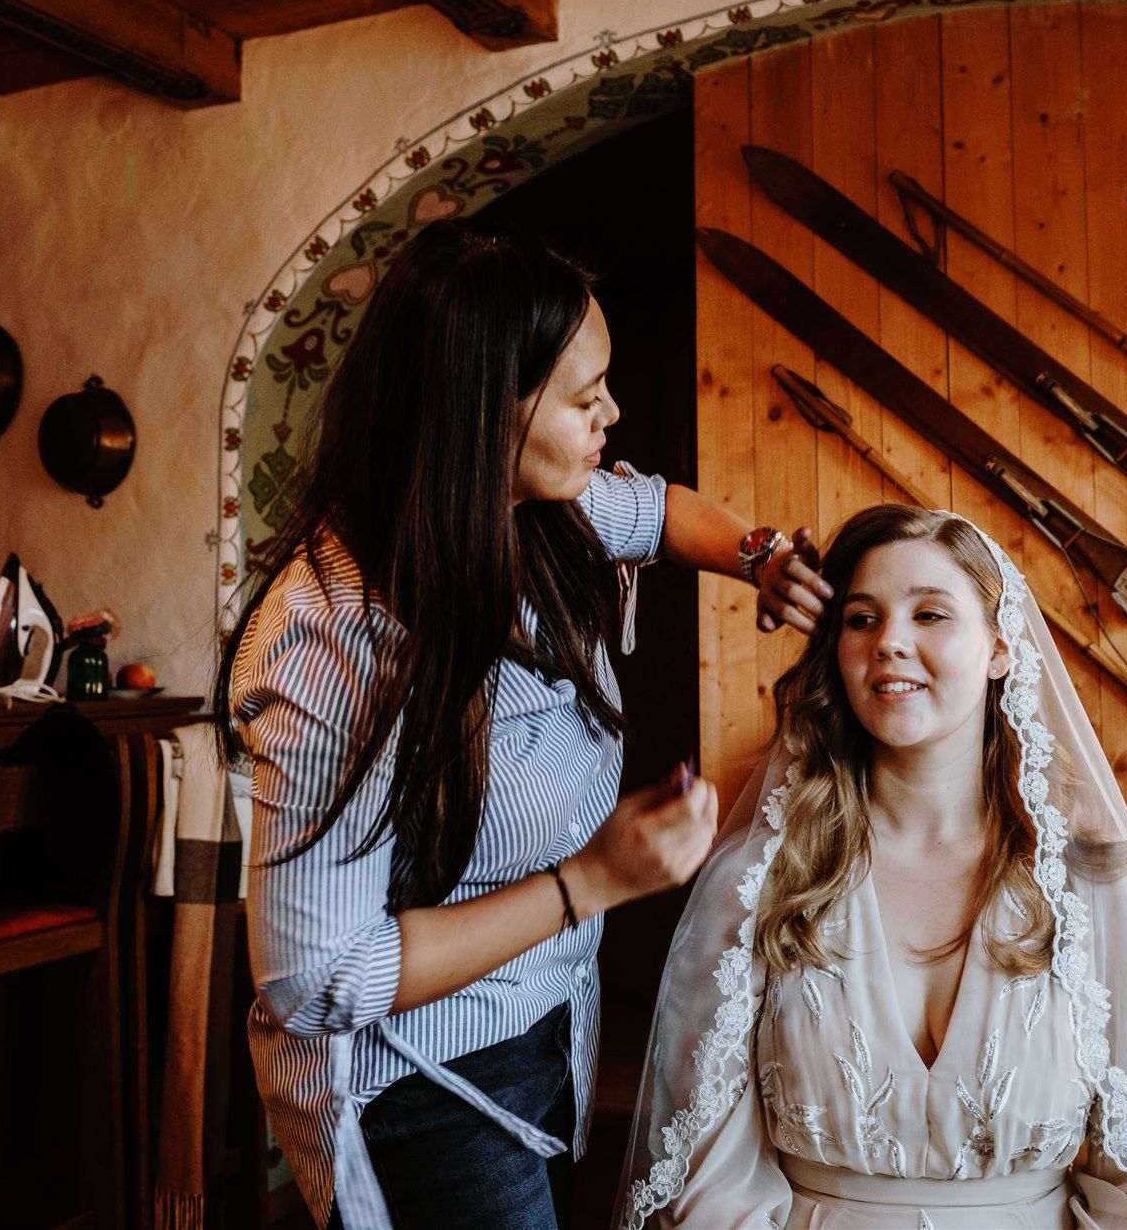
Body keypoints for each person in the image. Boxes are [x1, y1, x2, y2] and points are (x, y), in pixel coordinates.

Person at [214, 223, 831, 1229]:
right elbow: (315, 982)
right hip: (418, 1088)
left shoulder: (534, 510)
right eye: (585, 399)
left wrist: (758, 555)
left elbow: (656, 510)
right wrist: (591, 880)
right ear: (481, 415)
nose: (612, 415)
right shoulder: (328, 645)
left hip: (543, 1029)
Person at [618, 503, 1127, 1229]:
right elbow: (705, 1174)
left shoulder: (1094, 885)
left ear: (1000, 646)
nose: (889, 641)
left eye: (930, 615)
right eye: (861, 619)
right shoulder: (761, 877)